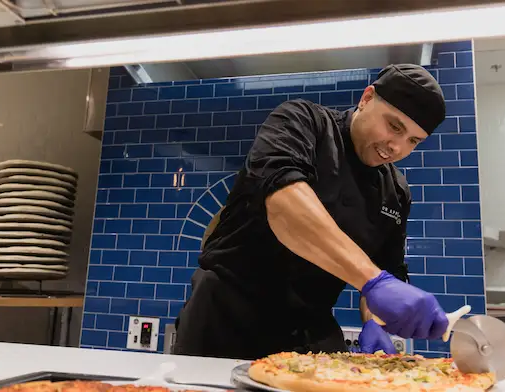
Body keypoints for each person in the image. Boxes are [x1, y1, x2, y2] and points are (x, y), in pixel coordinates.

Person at [173, 64, 449, 360]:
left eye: (413, 141)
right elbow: (284, 206)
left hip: (309, 328)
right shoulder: (302, 122)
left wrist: (376, 320)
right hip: (227, 317)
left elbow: (387, 272)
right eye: (394, 126)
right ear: (366, 98)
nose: (397, 147)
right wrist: (373, 281)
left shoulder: (396, 190)